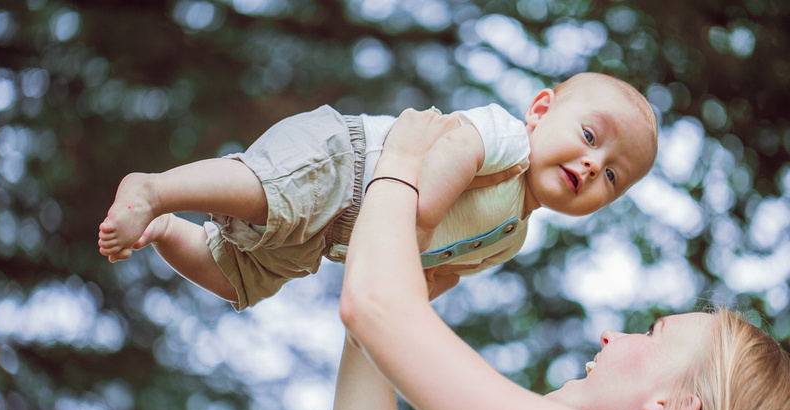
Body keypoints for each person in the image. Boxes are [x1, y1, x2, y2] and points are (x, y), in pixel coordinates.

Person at [329, 108, 790, 410]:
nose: (611, 336)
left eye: (654, 333)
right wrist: (388, 282)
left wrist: (397, 166)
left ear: (672, 406)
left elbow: (377, 308)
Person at [97, 72, 657, 311]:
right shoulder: (508, 139)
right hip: (346, 161)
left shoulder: (513, 236)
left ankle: (166, 229)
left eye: (612, 175)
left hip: (331, 240)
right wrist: (416, 218)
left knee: (240, 278)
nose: (591, 164)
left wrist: (408, 300)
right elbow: (456, 148)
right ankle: (157, 190)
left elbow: (446, 271)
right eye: (589, 137)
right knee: (267, 191)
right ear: (541, 111)